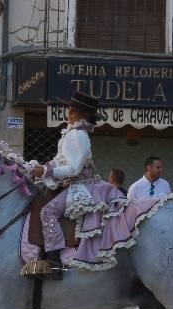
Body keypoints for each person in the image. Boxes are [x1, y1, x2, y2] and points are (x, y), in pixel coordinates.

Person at [30, 92, 123, 277]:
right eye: (69, 108)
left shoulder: (78, 135)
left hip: (83, 187)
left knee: (48, 212)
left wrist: (48, 171)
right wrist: (42, 169)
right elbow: (60, 161)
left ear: (83, 114)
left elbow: (74, 169)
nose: (68, 112)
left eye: (73, 110)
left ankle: (53, 262)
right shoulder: (73, 133)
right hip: (74, 184)